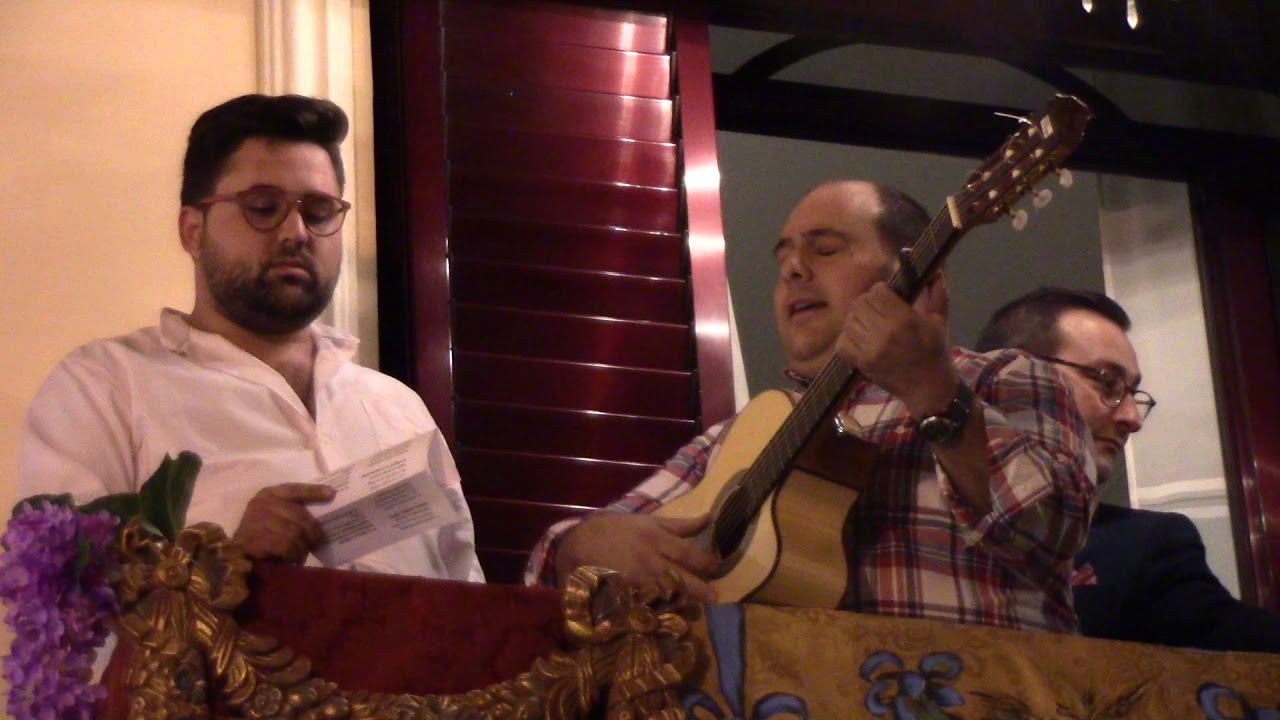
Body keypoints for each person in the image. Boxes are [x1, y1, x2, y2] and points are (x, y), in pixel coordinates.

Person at [525, 180, 1097, 633]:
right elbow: (548, 572)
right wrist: (583, 546)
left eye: (825, 249)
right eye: (784, 261)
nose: (794, 269)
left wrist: (931, 391)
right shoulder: (736, 439)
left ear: (915, 273)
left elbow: (1051, 535)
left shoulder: (1003, 377)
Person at [18, 94, 483, 582]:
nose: (296, 232)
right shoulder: (105, 386)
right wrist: (224, 563)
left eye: (320, 211)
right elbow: (60, 599)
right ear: (192, 231)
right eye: (263, 207)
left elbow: (468, 596)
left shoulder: (398, 408)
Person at [976, 286, 1280, 652]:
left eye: (1133, 393)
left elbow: (1229, 632)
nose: (1132, 418)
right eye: (1107, 383)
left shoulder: (1145, 545)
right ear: (1014, 377)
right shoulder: (913, 512)